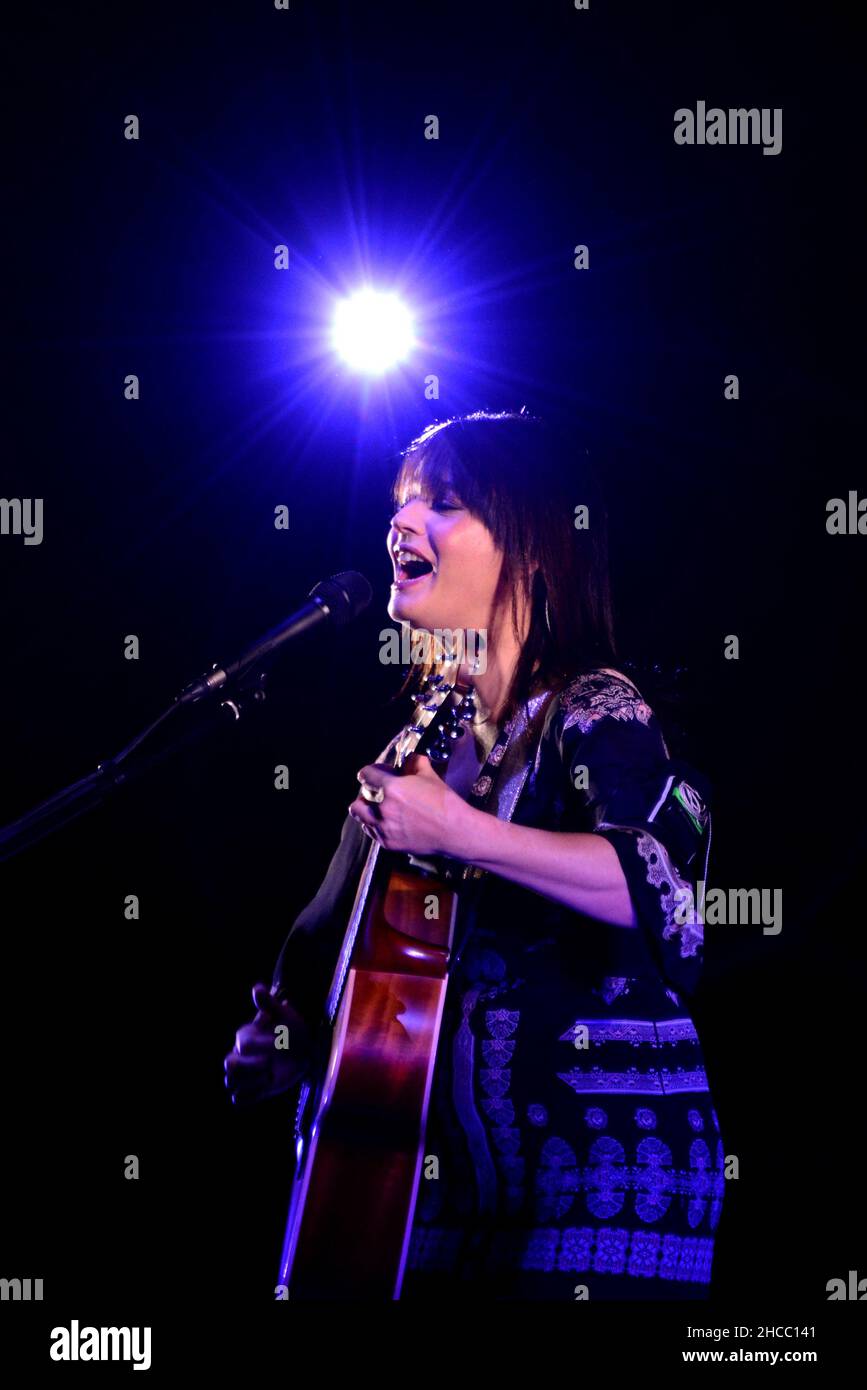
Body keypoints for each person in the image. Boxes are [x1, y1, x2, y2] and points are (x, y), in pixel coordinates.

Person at [224, 410, 725, 1300]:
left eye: (443, 503)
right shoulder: (430, 735)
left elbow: (663, 889)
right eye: (401, 503)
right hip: (438, 1179)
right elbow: (336, 945)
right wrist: (290, 1034)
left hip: (597, 1176)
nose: (401, 524)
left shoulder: (593, 706)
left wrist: (457, 831)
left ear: (531, 545)